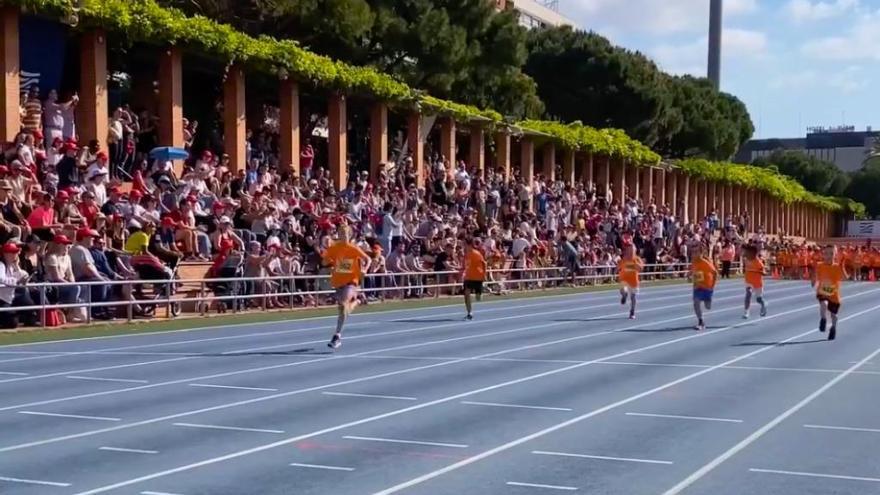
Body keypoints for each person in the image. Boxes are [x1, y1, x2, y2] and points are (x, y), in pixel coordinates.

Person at [322, 224, 369, 350]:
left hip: (351, 282)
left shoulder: (353, 248)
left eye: (346, 234)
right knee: (343, 309)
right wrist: (328, 255)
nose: (344, 236)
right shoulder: (334, 247)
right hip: (338, 283)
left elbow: (368, 259)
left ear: (350, 235)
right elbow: (324, 261)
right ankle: (358, 301)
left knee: (343, 306)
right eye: (341, 233)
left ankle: (337, 336)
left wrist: (365, 269)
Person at [812, 245, 846, 341]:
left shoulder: (837, 267)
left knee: (834, 315)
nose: (828, 256)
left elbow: (845, 277)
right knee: (824, 303)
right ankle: (823, 319)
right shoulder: (819, 265)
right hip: (822, 291)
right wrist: (813, 280)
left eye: (831, 253)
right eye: (826, 253)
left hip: (834, 294)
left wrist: (842, 267)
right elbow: (815, 275)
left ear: (835, 255)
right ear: (823, 254)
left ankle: (833, 328)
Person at [691, 243, 717, 331]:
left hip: (707, 287)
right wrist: (691, 277)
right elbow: (694, 272)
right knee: (696, 302)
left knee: (708, 307)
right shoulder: (694, 262)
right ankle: (701, 321)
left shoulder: (705, 263)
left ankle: (708, 299)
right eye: (693, 252)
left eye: (696, 252)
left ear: (701, 253)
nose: (694, 254)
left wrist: (712, 286)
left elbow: (715, 273)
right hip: (698, 287)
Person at [462, 238, 487, 320]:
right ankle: (469, 313)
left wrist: (484, 274)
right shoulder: (466, 254)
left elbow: (484, 263)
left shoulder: (476, 253)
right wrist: (463, 272)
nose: (463, 245)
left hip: (477, 277)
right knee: (466, 294)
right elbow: (466, 265)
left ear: (469, 244)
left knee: (478, 298)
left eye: (464, 244)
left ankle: (481, 291)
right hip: (468, 277)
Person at [618, 243, 643, 319]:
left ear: (635, 250)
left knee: (633, 297)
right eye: (629, 250)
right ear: (627, 251)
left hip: (634, 281)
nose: (631, 251)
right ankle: (624, 296)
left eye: (632, 250)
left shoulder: (637, 259)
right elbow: (618, 267)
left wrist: (636, 265)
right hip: (624, 279)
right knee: (624, 290)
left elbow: (641, 269)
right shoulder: (624, 259)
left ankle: (632, 312)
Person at [742, 244, 767, 319]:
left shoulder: (758, 262)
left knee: (758, 299)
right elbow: (744, 252)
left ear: (754, 254)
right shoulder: (746, 259)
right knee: (748, 294)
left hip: (757, 283)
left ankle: (763, 304)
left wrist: (762, 272)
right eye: (747, 252)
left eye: (749, 253)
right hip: (748, 281)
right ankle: (746, 312)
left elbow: (763, 271)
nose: (747, 254)